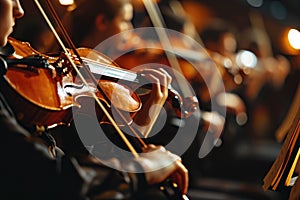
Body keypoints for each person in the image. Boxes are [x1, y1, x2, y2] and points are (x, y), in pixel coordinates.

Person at [0, 0, 189, 199]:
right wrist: (141, 165)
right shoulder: (70, 87)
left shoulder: (92, 75)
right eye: (125, 21)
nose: (19, 10)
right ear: (102, 22)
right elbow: (61, 171)